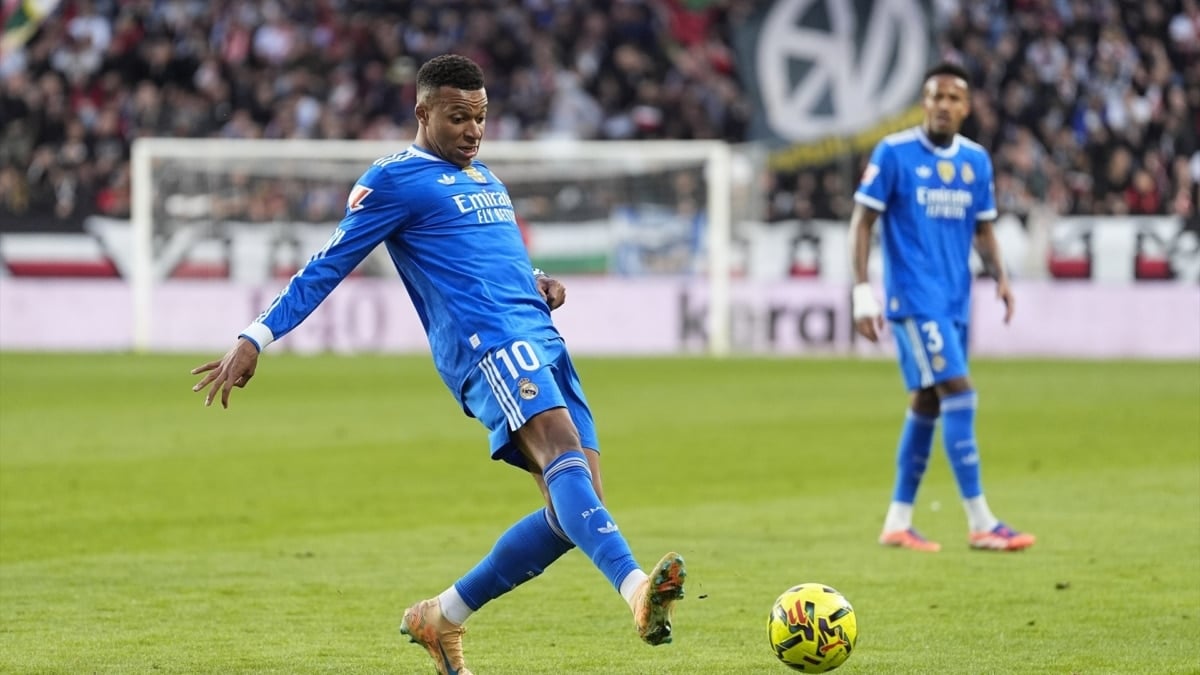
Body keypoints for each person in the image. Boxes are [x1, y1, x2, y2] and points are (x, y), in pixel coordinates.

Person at [190, 54, 686, 674]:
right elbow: (328, 263)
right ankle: (638, 591)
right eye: (458, 118)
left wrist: (539, 282)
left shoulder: (487, 180)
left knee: (574, 513)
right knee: (561, 451)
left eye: (480, 118)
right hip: (488, 347)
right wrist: (256, 335)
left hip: (541, 337)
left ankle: (442, 617)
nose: (473, 131)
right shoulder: (395, 180)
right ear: (422, 113)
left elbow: (489, 260)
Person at [848, 62, 1036, 553]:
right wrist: (861, 292)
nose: (944, 105)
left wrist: (1002, 278)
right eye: (935, 96)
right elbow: (862, 222)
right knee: (958, 389)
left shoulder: (976, 161)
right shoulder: (894, 153)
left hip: (956, 300)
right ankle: (981, 522)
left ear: (967, 108)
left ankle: (897, 521)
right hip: (913, 298)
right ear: (924, 102)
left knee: (928, 402)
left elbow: (984, 228)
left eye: (954, 98)